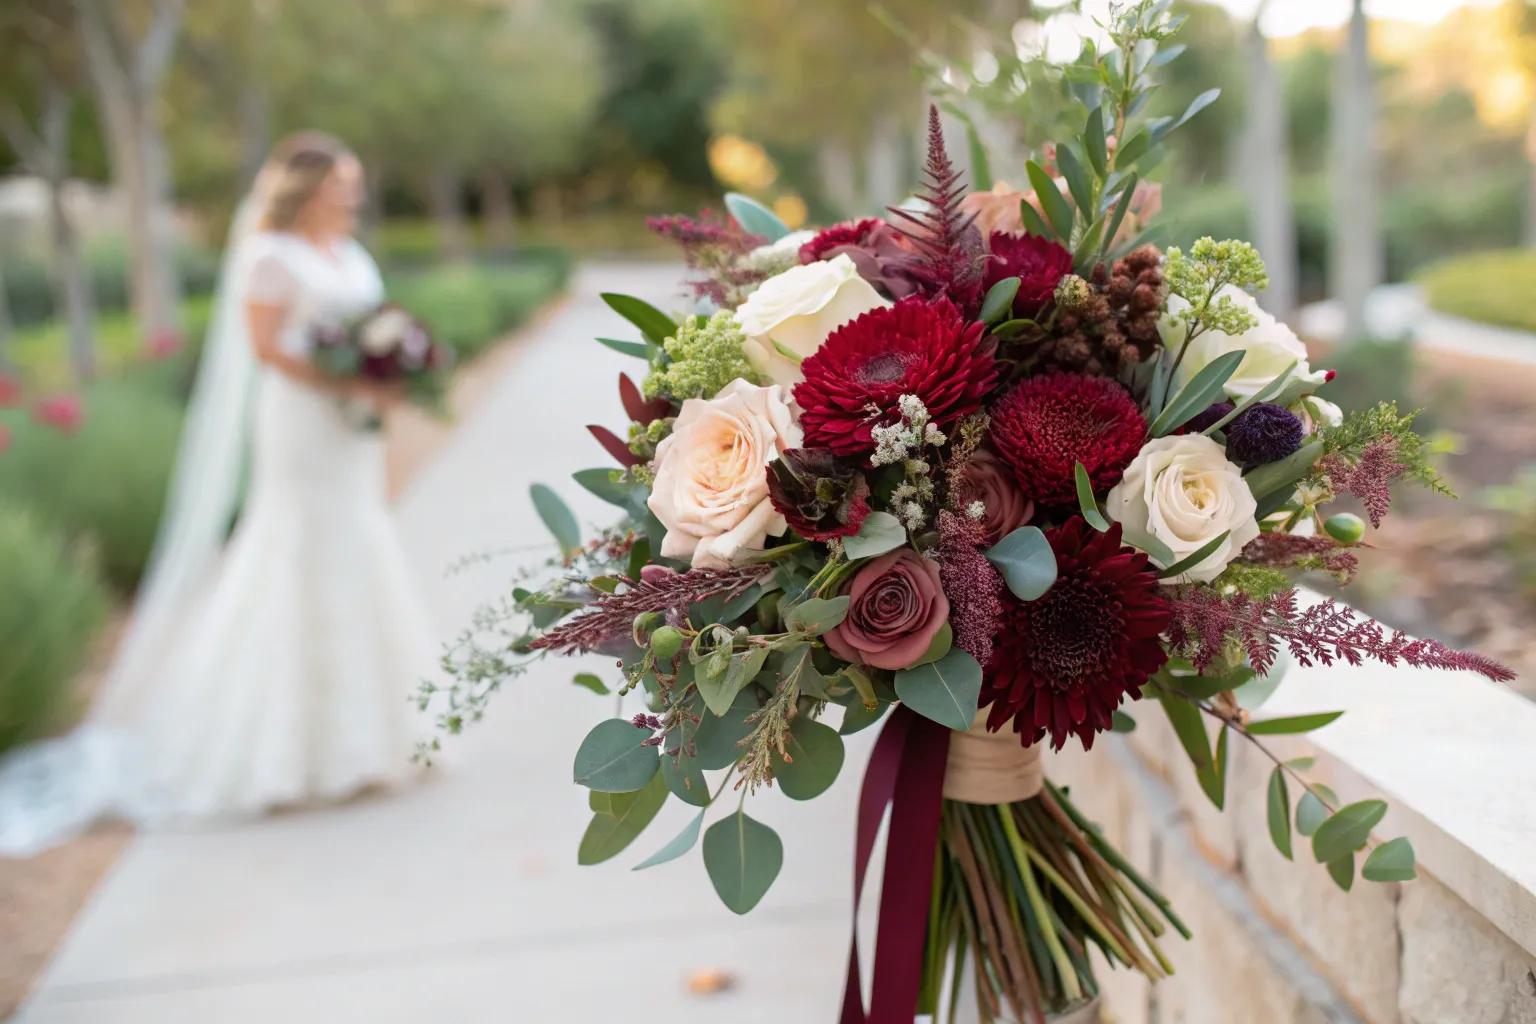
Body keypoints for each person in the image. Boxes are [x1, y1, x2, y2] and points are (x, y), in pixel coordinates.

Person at [0, 133, 437, 852]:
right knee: (296, 545)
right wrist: (348, 379)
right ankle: (282, 749)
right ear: (309, 187)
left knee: (359, 539)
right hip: (300, 420)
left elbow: (371, 329)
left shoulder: (351, 254)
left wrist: (383, 381)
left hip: (350, 426)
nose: (352, 194)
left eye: (355, 182)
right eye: (342, 183)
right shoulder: (271, 255)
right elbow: (266, 347)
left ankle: (376, 740)